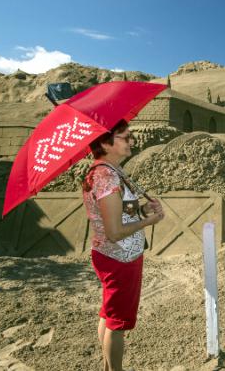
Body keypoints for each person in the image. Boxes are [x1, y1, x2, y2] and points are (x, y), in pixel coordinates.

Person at [81, 120, 165, 371]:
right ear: (106, 143)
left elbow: (120, 213)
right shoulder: (105, 177)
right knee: (117, 323)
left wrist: (141, 209)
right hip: (120, 258)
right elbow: (115, 232)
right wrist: (150, 220)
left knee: (108, 314)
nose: (131, 141)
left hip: (114, 256)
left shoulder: (108, 171)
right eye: (125, 138)